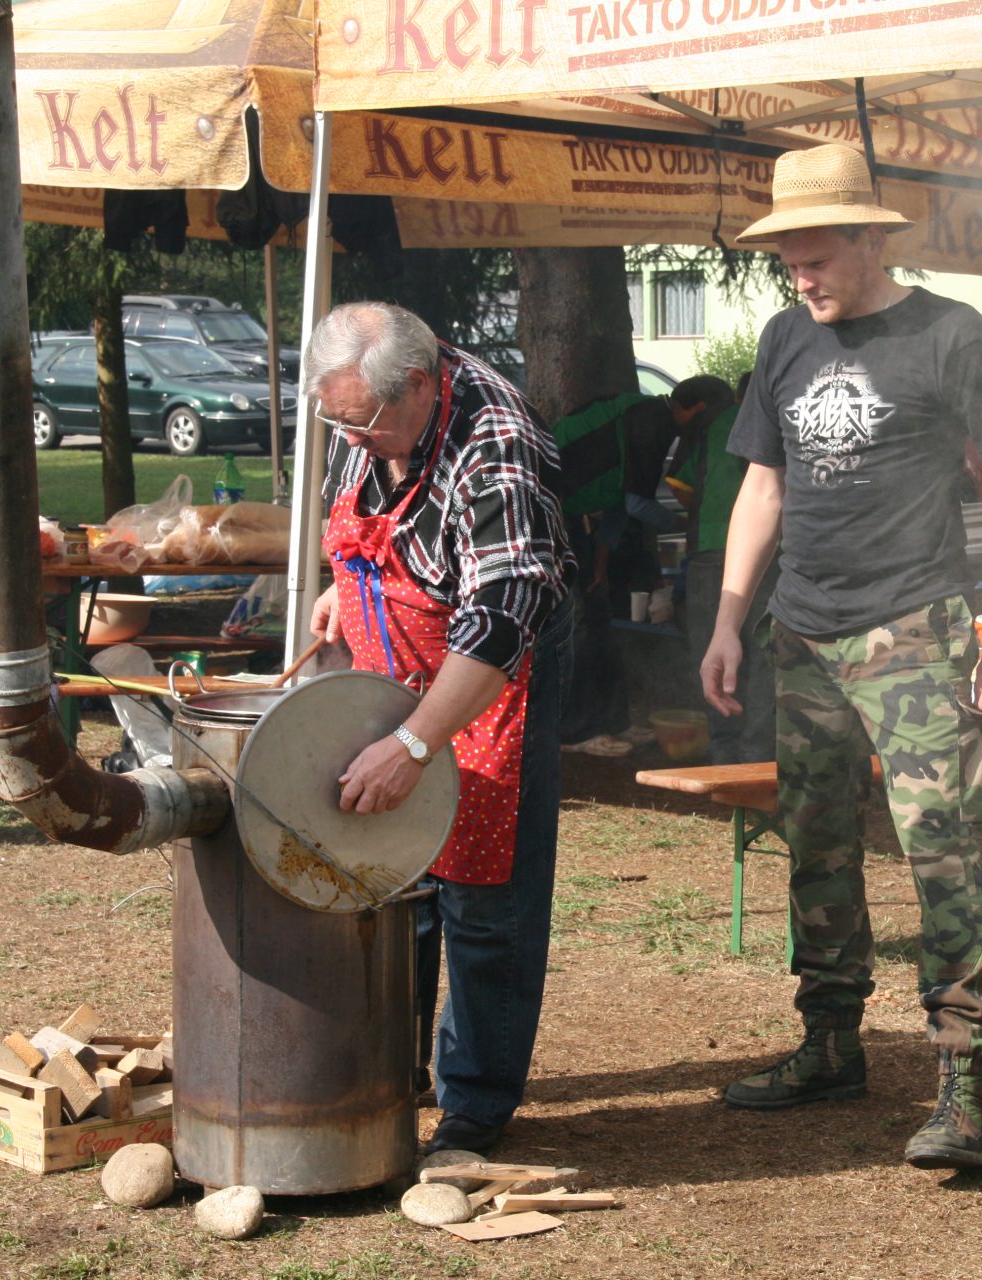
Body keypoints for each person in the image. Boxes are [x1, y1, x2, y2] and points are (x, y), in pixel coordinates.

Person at [700, 144, 982, 1172]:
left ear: (869, 239)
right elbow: (763, 486)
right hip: (803, 633)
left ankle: (965, 1082)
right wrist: (729, 618)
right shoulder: (783, 339)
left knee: (942, 849)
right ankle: (830, 1045)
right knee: (817, 846)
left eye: (816, 258)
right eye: (789, 262)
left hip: (915, 628)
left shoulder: (949, 332)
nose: (801, 278)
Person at [305, 302, 572, 1156]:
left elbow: (500, 617)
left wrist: (417, 742)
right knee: (397, 876)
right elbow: (372, 521)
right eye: (338, 423)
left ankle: (475, 1107)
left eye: (363, 425)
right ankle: (396, 1070)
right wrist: (345, 588)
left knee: (483, 894)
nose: (351, 440)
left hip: (492, 674)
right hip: (394, 652)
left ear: (419, 387)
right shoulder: (364, 411)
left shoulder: (497, 450)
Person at [550, 386, 682, 757]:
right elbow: (637, 503)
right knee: (575, 624)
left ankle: (614, 720)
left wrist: (600, 565)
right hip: (543, 512)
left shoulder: (646, 419)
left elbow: (619, 505)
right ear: (691, 409)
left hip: (571, 517)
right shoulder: (651, 421)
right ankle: (572, 731)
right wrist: (689, 522)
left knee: (599, 615)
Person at [667, 374, 775, 764]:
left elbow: (678, 484)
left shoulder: (711, 425)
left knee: (712, 652)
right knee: (764, 655)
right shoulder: (778, 417)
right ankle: (759, 754)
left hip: (711, 549)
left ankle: (724, 753)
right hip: (768, 554)